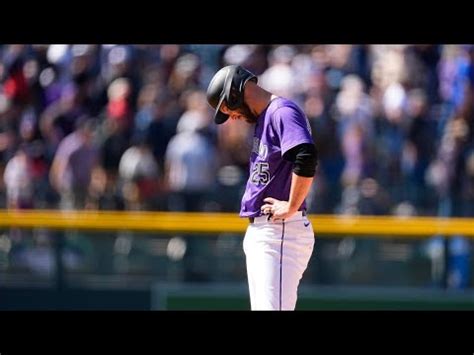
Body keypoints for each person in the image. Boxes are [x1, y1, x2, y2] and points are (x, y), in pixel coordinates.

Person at [206, 65, 318, 310]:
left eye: (229, 108)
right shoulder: (266, 116)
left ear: (236, 93)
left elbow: (306, 155)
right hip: (267, 231)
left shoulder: (281, 111)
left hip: (280, 231)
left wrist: (291, 205)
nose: (232, 117)